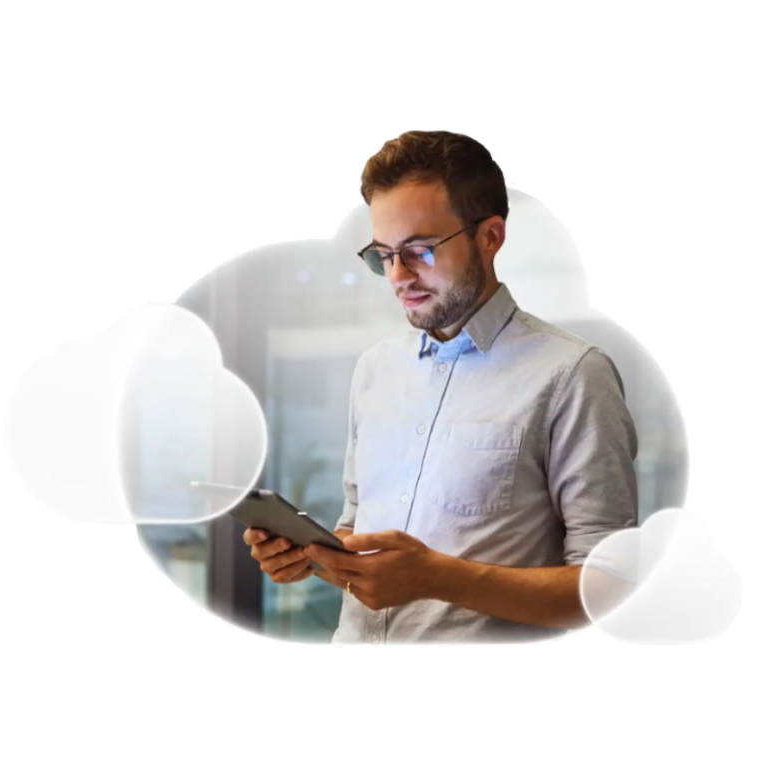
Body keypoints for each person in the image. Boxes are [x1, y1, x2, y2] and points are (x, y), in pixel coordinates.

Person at [243, 130, 639, 643]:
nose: (398, 276)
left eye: (420, 251)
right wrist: (311, 555)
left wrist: (438, 578)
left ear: (490, 236)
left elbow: (607, 588)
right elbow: (356, 525)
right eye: (384, 255)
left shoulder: (573, 374)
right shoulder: (375, 370)